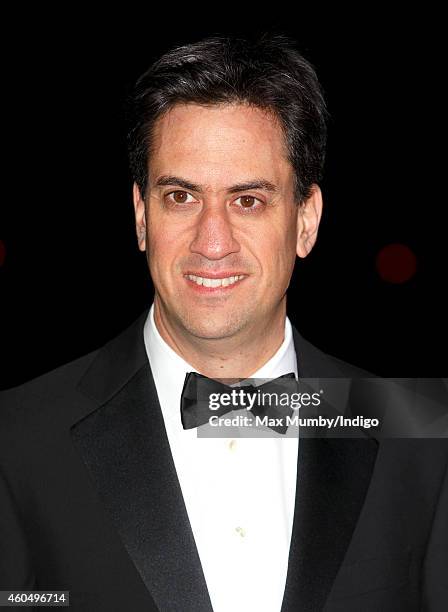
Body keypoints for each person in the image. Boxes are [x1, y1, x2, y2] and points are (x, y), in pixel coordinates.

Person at [0, 34, 446, 612]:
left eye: (248, 201)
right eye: (181, 197)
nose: (212, 244)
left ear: (306, 220)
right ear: (141, 216)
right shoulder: (16, 441)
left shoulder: (425, 442)